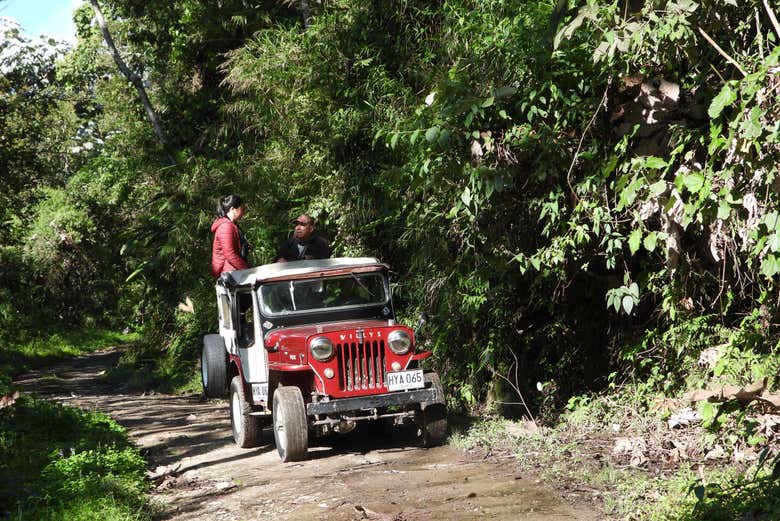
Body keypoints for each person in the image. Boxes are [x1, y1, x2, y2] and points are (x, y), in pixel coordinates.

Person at [211, 194, 251, 277]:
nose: (244, 212)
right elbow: (230, 254)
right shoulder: (226, 227)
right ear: (233, 209)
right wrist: (246, 269)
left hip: (233, 270)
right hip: (229, 273)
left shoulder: (233, 225)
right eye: (242, 209)